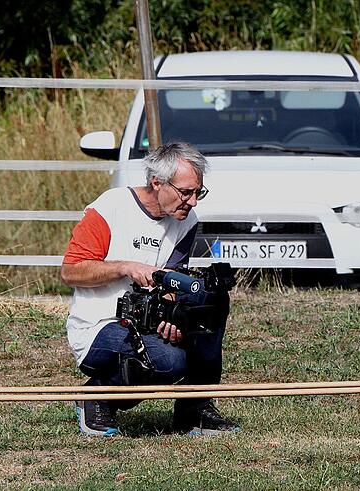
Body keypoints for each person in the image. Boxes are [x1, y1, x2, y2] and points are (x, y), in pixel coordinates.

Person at [61, 142, 239, 437]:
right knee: (169, 361)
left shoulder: (187, 221)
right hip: (98, 327)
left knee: (212, 296)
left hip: (148, 320)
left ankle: (195, 410)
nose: (193, 202)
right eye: (186, 192)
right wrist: (124, 267)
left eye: (198, 192)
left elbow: (172, 283)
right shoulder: (110, 207)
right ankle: (95, 396)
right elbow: (71, 271)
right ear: (157, 182)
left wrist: (175, 316)